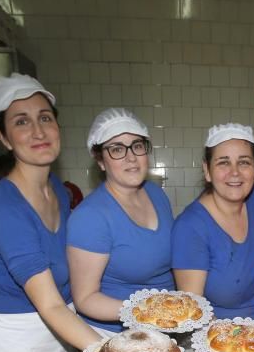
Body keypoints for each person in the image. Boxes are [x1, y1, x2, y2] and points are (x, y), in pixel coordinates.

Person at [0, 73, 101, 352]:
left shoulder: (57, 188)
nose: (38, 131)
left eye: (45, 118)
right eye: (21, 121)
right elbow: (50, 304)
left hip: (66, 331)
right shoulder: (4, 208)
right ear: (3, 137)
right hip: (20, 346)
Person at [67, 108, 174, 333]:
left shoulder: (157, 195)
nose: (131, 157)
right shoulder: (90, 217)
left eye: (137, 145)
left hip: (164, 327)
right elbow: (85, 299)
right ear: (101, 161)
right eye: (116, 149)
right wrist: (146, 311)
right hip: (115, 335)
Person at [171, 123, 254, 319]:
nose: (235, 172)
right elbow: (193, 313)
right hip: (218, 339)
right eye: (223, 162)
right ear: (207, 171)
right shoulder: (190, 228)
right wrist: (239, 341)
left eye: (244, 162)